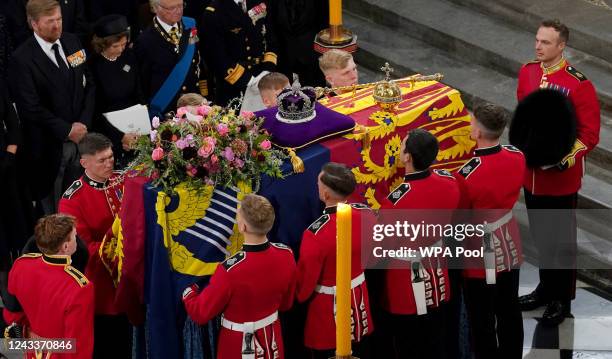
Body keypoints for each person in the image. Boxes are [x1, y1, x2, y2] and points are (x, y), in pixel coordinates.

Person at [516, 19, 600, 325]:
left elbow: (589, 135)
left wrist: (561, 159)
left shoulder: (579, 84)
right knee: (541, 237)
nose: (538, 46)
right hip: (532, 175)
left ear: (561, 46)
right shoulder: (527, 72)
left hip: (560, 178)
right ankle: (545, 288)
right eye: (537, 40)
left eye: (546, 42)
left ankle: (561, 300)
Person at [378, 128, 461, 359]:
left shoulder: (396, 202)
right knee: (436, 337)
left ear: (407, 157)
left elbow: (385, 244)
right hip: (438, 270)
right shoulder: (449, 182)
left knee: (409, 344)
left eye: (403, 146)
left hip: (405, 279)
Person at [183, 194, 297, 359]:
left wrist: (188, 291)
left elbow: (200, 313)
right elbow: (286, 303)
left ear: (242, 227)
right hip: (273, 337)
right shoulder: (286, 253)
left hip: (237, 344)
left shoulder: (230, 270)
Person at [9, 0, 95, 214]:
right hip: (49, 151)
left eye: (59, 19)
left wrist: (83, 123)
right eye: (50, 22)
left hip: (82, 140)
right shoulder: (22, 59)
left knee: (83, 204)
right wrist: (67, 130)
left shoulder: (72, 41)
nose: (57, 26)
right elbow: (30, 108)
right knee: (56, 211)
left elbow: (89, 84)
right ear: (34, 24)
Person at [455, 104, 526, 358]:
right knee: (509, 309)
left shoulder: (466, 174)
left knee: (481, 318)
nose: (469, 125)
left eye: (472, 122)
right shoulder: (516, 155)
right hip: (508, 241)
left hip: (479, 248)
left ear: (479, 133)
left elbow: (460, 218)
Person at [58, 133, 131, 358]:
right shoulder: (72, 199)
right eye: (102, 160)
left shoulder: (123, 178)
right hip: (102, 282)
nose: (109, 163)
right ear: (84, 163)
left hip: (133, 275)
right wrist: (122, 253)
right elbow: (83, 247)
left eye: (111, 157)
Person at [296, 162, 375, 359]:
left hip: (326, 315)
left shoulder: (315, 235)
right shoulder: (366, 214)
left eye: (318, 184)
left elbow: (303, 290)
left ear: (326, 195)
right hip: (360, 302)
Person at [2, 214, 94, 359]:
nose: (77, 239)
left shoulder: (21, 264)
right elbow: (78, 349)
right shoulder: (79, 288)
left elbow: (13, 314)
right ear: (65, 246)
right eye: (75, 236)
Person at [136, 0, 208, 117]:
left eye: (180, 5)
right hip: (167, 108)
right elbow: (144, 82)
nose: (178, 11)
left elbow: (198, 61)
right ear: (156, 8)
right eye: (171, 8)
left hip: (195, 102)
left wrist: (205, 94)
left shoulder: (190, 24)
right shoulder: (145, 41)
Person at [90, 14, 143, 169]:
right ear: (102, 45)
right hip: (108, 134)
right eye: (116, 46)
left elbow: (139, 94)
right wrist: (120, 137)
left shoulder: (129, 57)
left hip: (135, 129)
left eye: (124, 44)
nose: (121, 49)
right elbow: (96, 111)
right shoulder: (93, 66)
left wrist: (140, 129)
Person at [201, 0, 279, 105]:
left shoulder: (259, 2)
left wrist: (267, 70)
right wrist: (249, 81)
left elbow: (271, 39)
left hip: (263, 78)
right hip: (233, 86)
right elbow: (215, 56)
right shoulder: (214, 12)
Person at [269, 0, 328, 87]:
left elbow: (324, 25)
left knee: (315, 94)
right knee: (283, 96)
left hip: (311, 55)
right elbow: (271, 25)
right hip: (283, 55)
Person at [4, 0, 89, 48]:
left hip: (73, 55)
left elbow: (81, 29)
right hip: (38, 63)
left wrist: (74, 65)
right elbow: (20, 34)